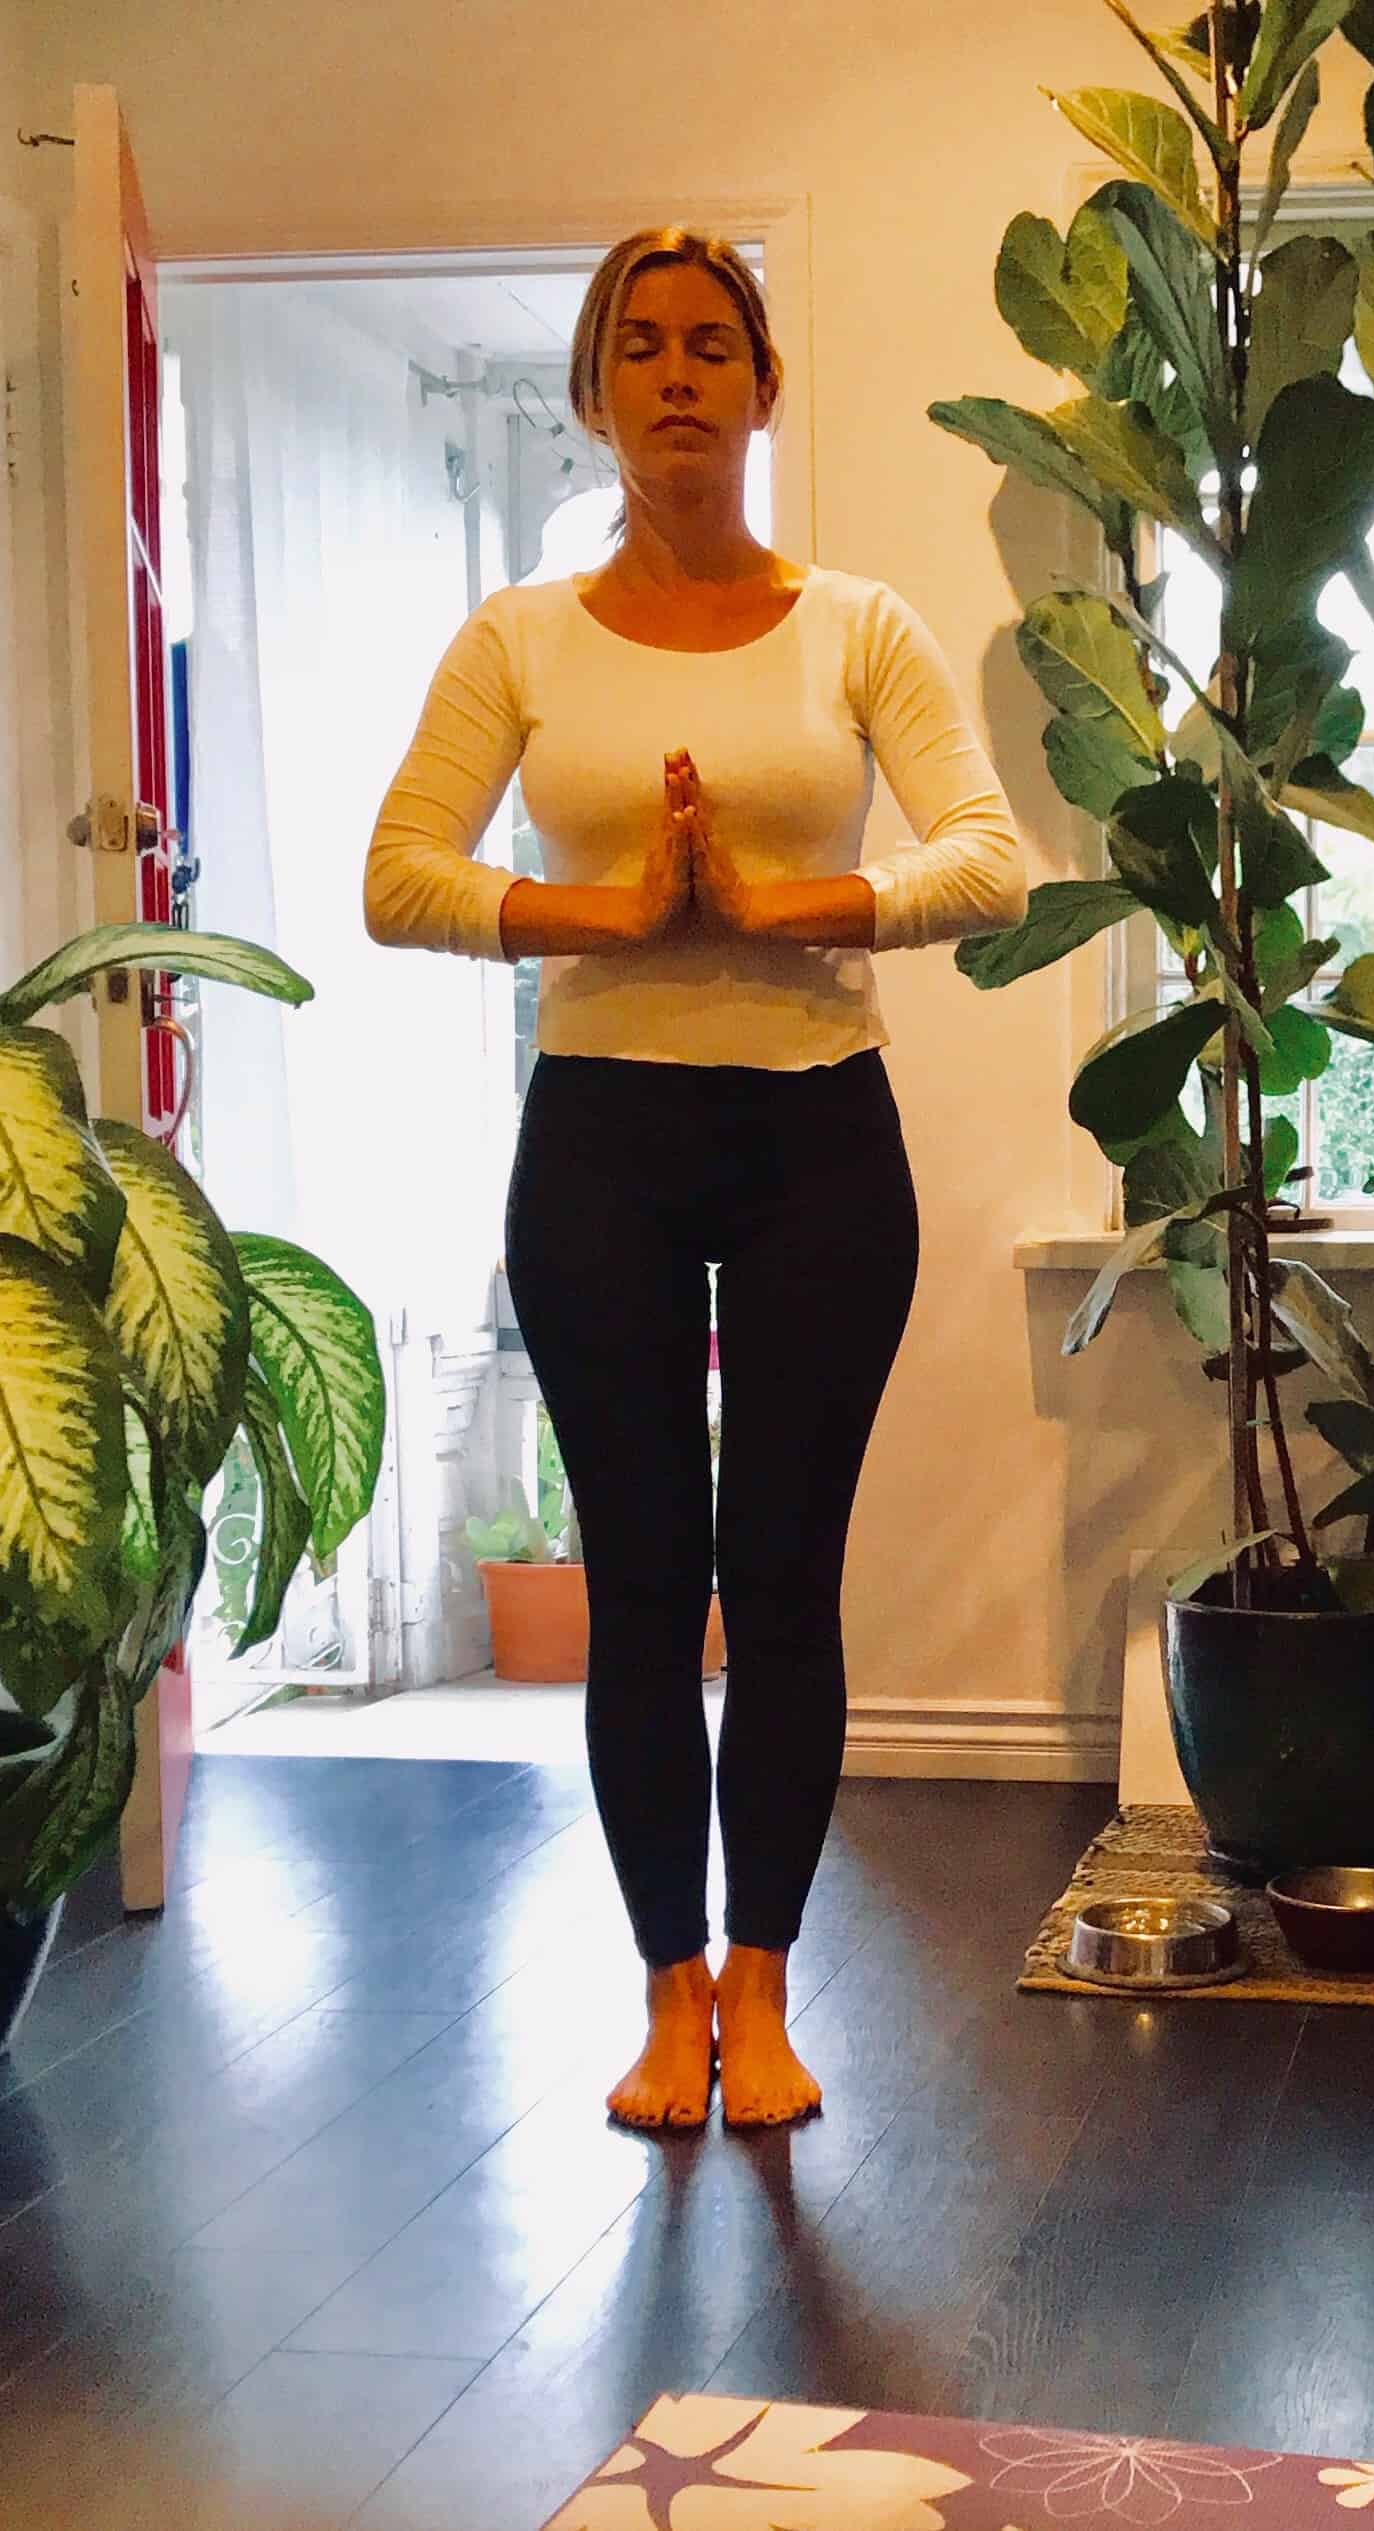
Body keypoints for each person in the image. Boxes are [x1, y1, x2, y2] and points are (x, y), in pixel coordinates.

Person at [364, 226, 1026, 2133]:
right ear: (597, 392)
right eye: (640, 345)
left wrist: (777, 903)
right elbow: (401, 873)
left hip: (820, 1137)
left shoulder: (857, 626)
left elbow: (985, 858)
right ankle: (668, 1993)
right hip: (602, 1145)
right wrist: (615, 913)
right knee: (646, 1585)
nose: (677, 374)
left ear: (760, 387)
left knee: (785, 1580)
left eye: (711, 344)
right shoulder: (518, 638)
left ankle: (766, 1980)